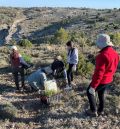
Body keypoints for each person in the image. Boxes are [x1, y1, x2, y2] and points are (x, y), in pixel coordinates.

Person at [86, 34, 119, 117]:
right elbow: (114, 67)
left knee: (89, 92)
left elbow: (99, 74)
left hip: (102, 80)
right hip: (109, 79)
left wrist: (93, 86)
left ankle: (93, 111)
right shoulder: (115, 53)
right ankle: (101, 110)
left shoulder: (102, 56)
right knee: (101, 94)